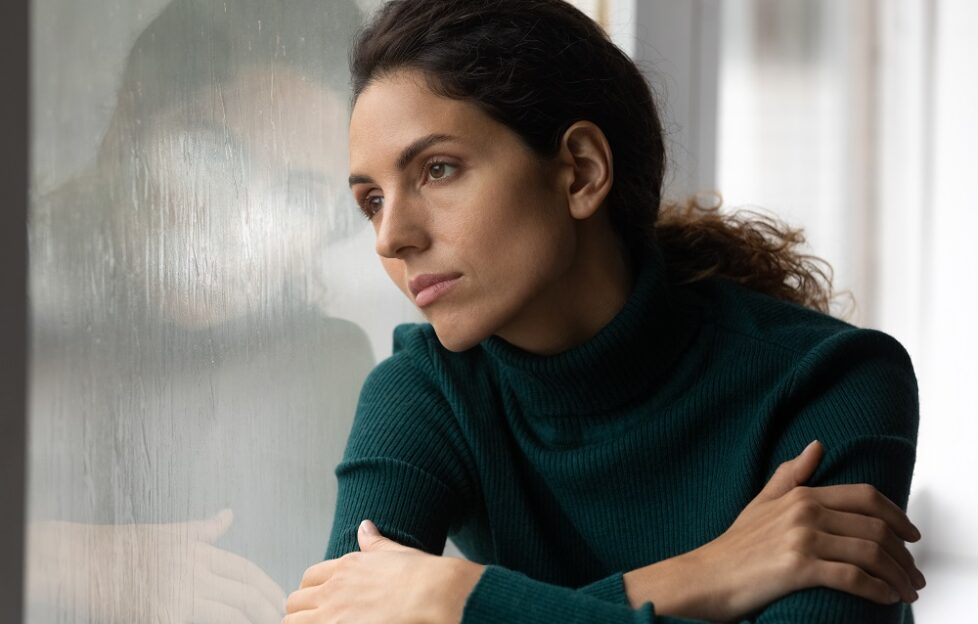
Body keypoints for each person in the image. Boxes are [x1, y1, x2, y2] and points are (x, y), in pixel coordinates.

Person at [281, 1, 926, 623]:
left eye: (438, 169)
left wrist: (456, 602)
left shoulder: (833, 380)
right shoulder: (428, 391)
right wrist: (706, 574)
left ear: (581, 172)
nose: (390, 237)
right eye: (371, 200)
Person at [26, 1, 374, 622]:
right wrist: (71, 563)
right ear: (130, 125)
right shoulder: (35, 296)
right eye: (215, 157)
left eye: (299, 194)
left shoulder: (330, 370)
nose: (242, 227)